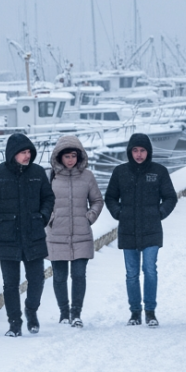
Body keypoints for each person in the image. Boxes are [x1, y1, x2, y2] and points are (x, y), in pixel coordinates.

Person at [0, 133, 55, 337]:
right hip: (7, 236)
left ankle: (31, 310)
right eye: (23, 152)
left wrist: (43, 216)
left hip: (33, 234)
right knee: (10, 284)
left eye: (29, 152)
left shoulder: (37, 172)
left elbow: (48, 198)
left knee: (37, 279)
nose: (27, 156)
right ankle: (14, 324)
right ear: (12, 154)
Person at [104, 133, 177, 327]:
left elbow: (170, 197)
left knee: (150, 270)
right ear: (129, 151)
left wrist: (159, 213)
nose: (138, 154)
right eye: (135, 150)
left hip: (152, 229)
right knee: (132, 273)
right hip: (128, 229)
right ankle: (135, 312)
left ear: (148, 151)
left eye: (142, 150)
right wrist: (119, 213)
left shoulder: (159, 172)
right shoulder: (120, 172)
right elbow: (110, 197)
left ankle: (150, 312)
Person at [45, 135, 104, 328]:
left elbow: (97, 200)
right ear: (59, 157)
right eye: (67, 156)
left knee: (79, 275)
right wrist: (50, 219)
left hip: (81, 235)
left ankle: (76, 313)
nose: (70, 160)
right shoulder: (49, 176)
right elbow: (40, 202)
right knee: (59, 277)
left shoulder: (87, 176)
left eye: (73, 156)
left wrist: (89, 217)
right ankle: (64, 314)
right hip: (56, 234)